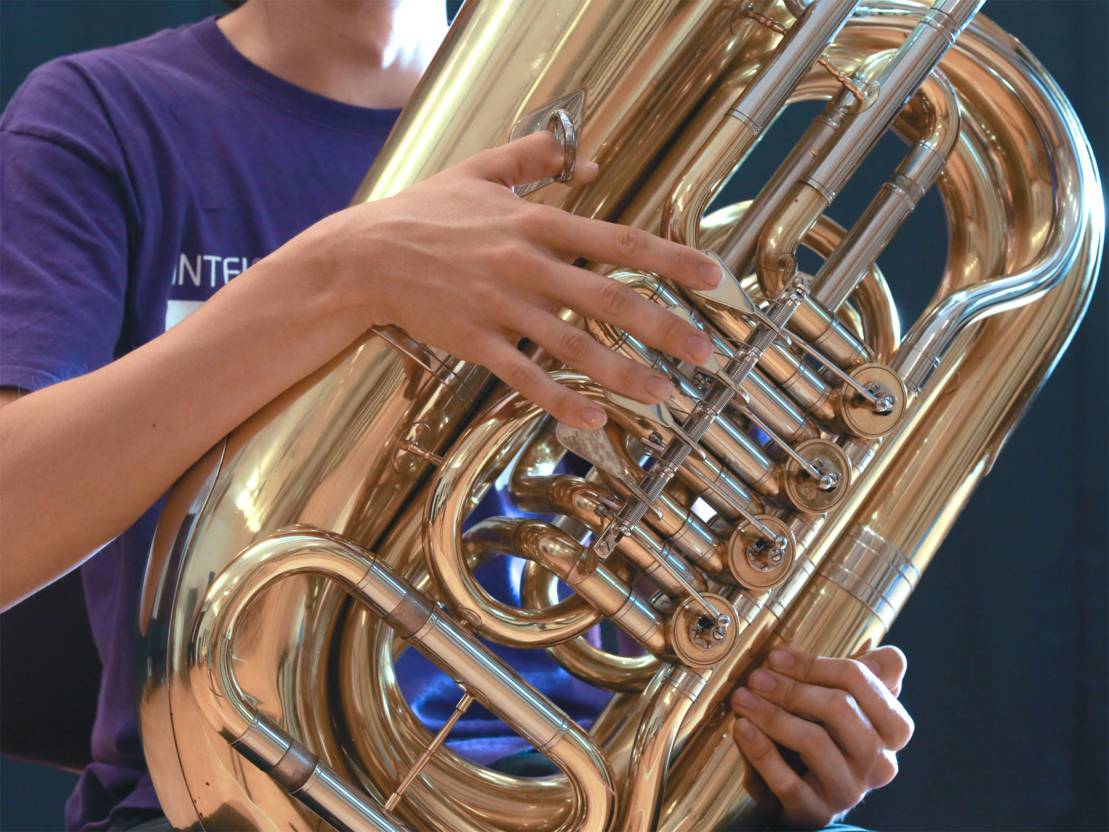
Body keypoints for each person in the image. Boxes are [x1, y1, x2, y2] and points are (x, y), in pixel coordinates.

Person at [0, 1, 914, 830]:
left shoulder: (633, 137)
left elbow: (700, 549)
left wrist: (779, 715)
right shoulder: (104, 116)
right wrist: (342, 275)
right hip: (241, 796)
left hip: (602, 794)